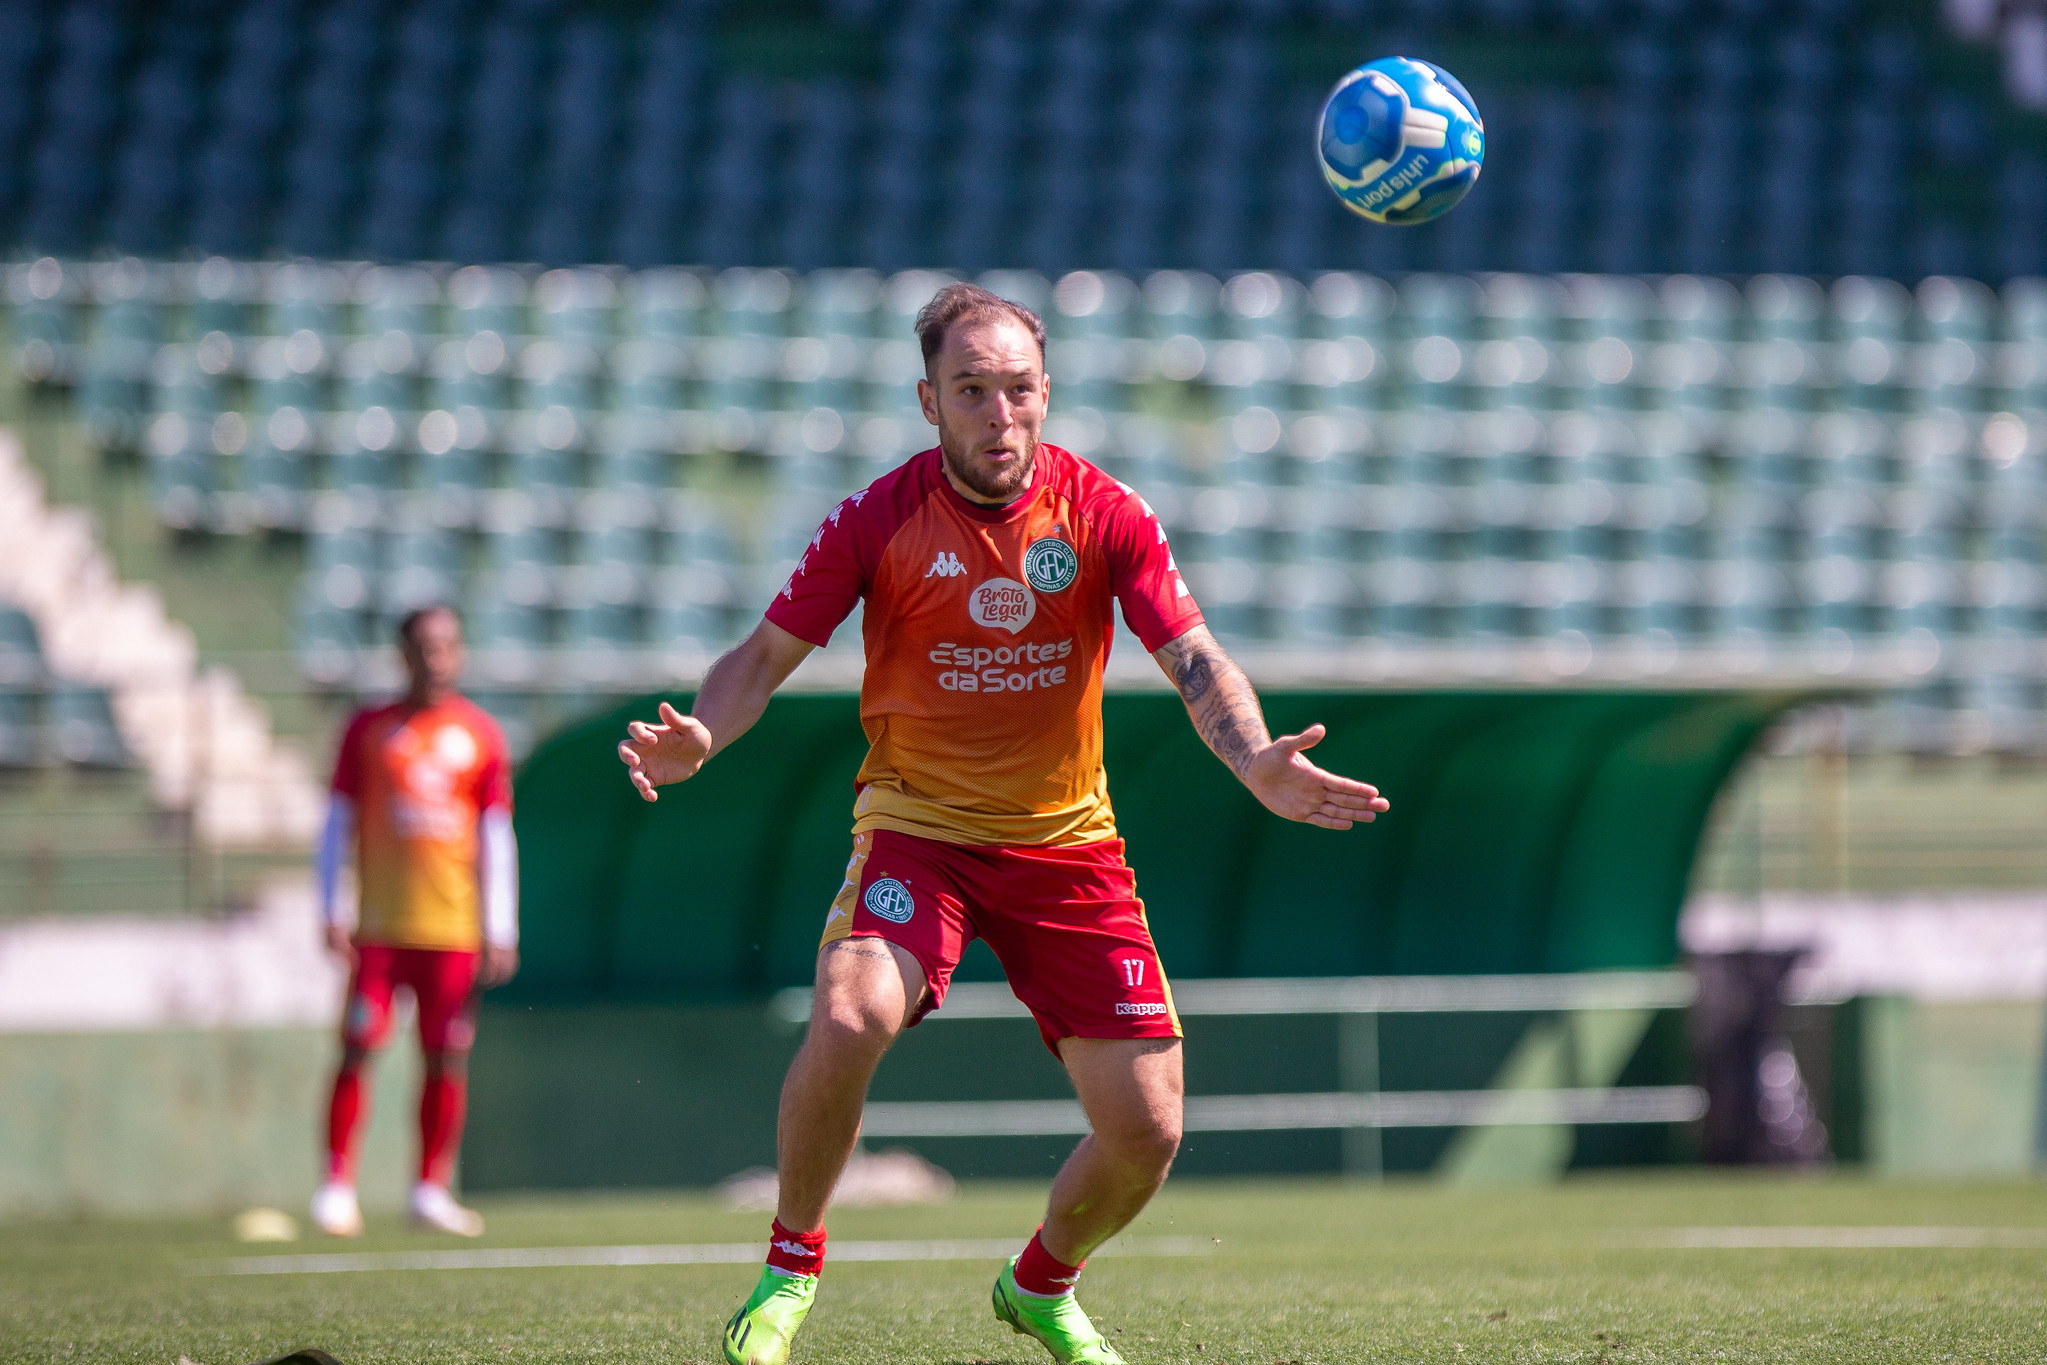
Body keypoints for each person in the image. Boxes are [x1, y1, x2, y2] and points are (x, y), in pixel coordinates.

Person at [617, 284, 1389, 1365]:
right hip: (918, 832)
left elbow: (1195, 656)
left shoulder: (1104, 512)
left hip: (1068, 847)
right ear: (928, 401)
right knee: (847, 1018)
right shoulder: (877, 518)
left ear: (1045, 392)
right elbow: (758, 659)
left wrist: (1252, 757)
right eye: (970, 390)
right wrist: (703, 733)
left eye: (1018, 389)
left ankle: (1040, 1285)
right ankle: (790, 1266)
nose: (999, 414)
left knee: (1148, 1131)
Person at [309, 604, 519, 1238]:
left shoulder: (481, 735)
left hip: (452, 932)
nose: (436, 658)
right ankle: (336, 1186)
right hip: (378, 929)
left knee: (445, 1060)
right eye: (424, 646)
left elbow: (495, 835)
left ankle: (429, 1189)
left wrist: (500, 927)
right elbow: (337, 822)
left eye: (447, 645)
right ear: (402, 654)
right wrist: (331, 905)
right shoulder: (368, 729)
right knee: (357, 1048)